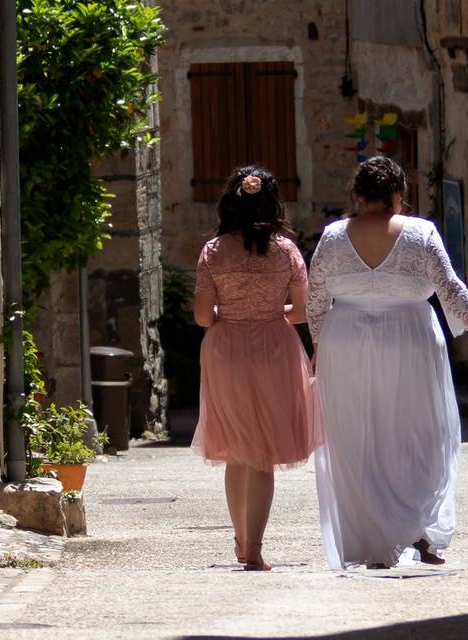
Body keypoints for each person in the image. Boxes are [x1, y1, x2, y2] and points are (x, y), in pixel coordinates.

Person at [307, 156, 468, 569]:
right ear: (398, 194)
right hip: (410, 339)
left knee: (358, 439)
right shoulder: (421, 233)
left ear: (358, 195)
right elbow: (449, 290)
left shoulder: (332, 238)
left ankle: (375, 539)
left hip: (345, 342)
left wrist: (320, 349)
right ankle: (418, 526)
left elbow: (315, 300)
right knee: (420, 433)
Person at [191, 166, 322, 571]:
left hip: (226, 348)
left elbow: (201, 317)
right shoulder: (287, 251)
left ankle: (241, 541)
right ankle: (257, 549)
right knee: (263, 452)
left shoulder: (213, 251)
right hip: (274, 346)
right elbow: (301, 312)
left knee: (235, 448)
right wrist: (269, 311)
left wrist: (230, 313)